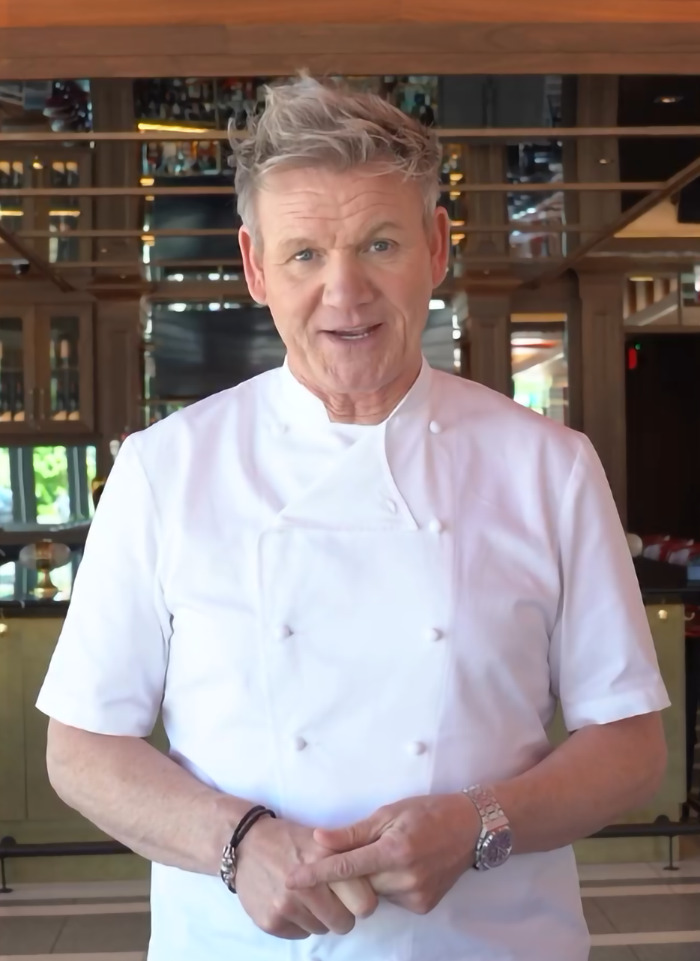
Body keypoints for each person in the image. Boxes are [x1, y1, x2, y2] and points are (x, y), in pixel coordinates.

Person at [37, 76, 669, 961]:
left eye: (379, 243)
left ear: (437, 246)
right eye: (304, 255)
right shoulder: (163, 470)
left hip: (490, 943)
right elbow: (82, 747)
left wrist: (481, 821)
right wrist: (238, 840)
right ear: (257, 267)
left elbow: (632, 746)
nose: (345, 292)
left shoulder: (549, 466)